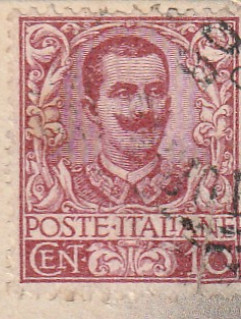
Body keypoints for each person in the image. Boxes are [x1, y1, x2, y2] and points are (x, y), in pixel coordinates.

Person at [65, 34, 189, 209]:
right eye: (124, 93)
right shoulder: (65, 187)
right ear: (92, 110)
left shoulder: (194, 186)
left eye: (154, 92)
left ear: (167, 105)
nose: (143, 108)